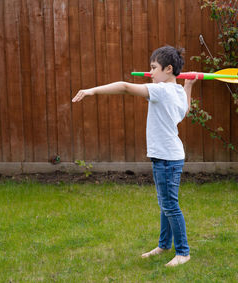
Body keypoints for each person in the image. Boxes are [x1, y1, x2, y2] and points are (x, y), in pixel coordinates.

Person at [72, 45, 198, 267]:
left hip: (167, 157)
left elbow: (124, 87)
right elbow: (184, 112)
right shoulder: (176, 90)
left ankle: (183, 252)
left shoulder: (161, 90)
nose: (150, 72)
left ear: (169, 69)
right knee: (165, 203)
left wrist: (93, 90)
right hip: (169, 155)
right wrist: (188, 86)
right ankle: (164, 245)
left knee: (170, 205)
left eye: (153, 68)